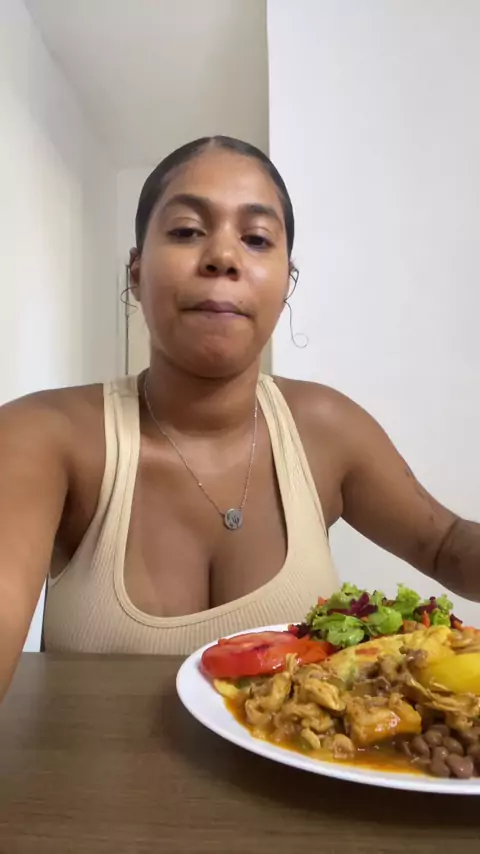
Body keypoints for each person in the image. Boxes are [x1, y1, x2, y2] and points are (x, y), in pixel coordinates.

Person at [0, 135, 478, 700]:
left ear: (286, 282)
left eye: (256, 239)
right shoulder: (42, 435)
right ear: (136, 272)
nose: (223, 257)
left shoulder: (327, 428)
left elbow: (446, 544)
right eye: (186, 231)